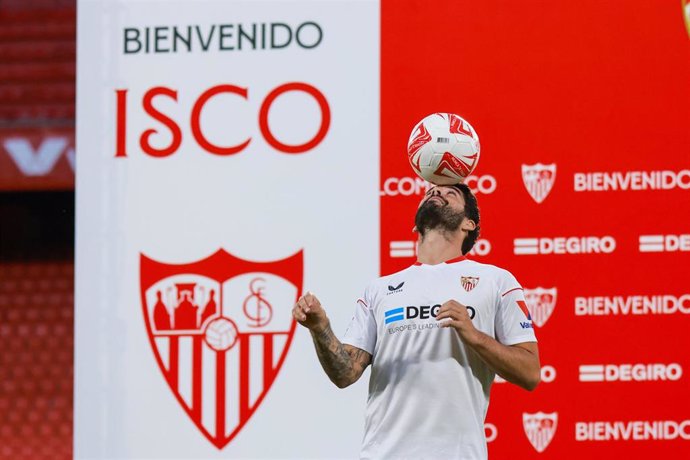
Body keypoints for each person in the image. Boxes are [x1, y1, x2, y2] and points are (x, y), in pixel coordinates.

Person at [292, 182, 540, 459]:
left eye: (450, 193)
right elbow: (345, 373)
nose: (436, 192)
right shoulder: (379, 290)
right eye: (431, 192)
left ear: (469, 224)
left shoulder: (496, 281)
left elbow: (530, 373)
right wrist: (319, 327)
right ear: (415, 226)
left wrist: (475, 336)